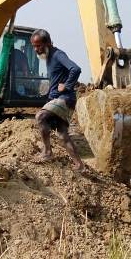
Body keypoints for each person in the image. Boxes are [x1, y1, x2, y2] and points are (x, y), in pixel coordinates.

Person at [30, 29, 84, 172]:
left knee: (40, 116)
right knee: (62, 135)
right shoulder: (48, 57)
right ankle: (79, 164)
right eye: (34, 47)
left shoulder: (58, 55)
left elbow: (76, 69)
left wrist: (66, 85)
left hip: (65, 98)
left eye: (39, 46)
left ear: (47, 42)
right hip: (58, 99)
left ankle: (47, 152)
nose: (36, 49)